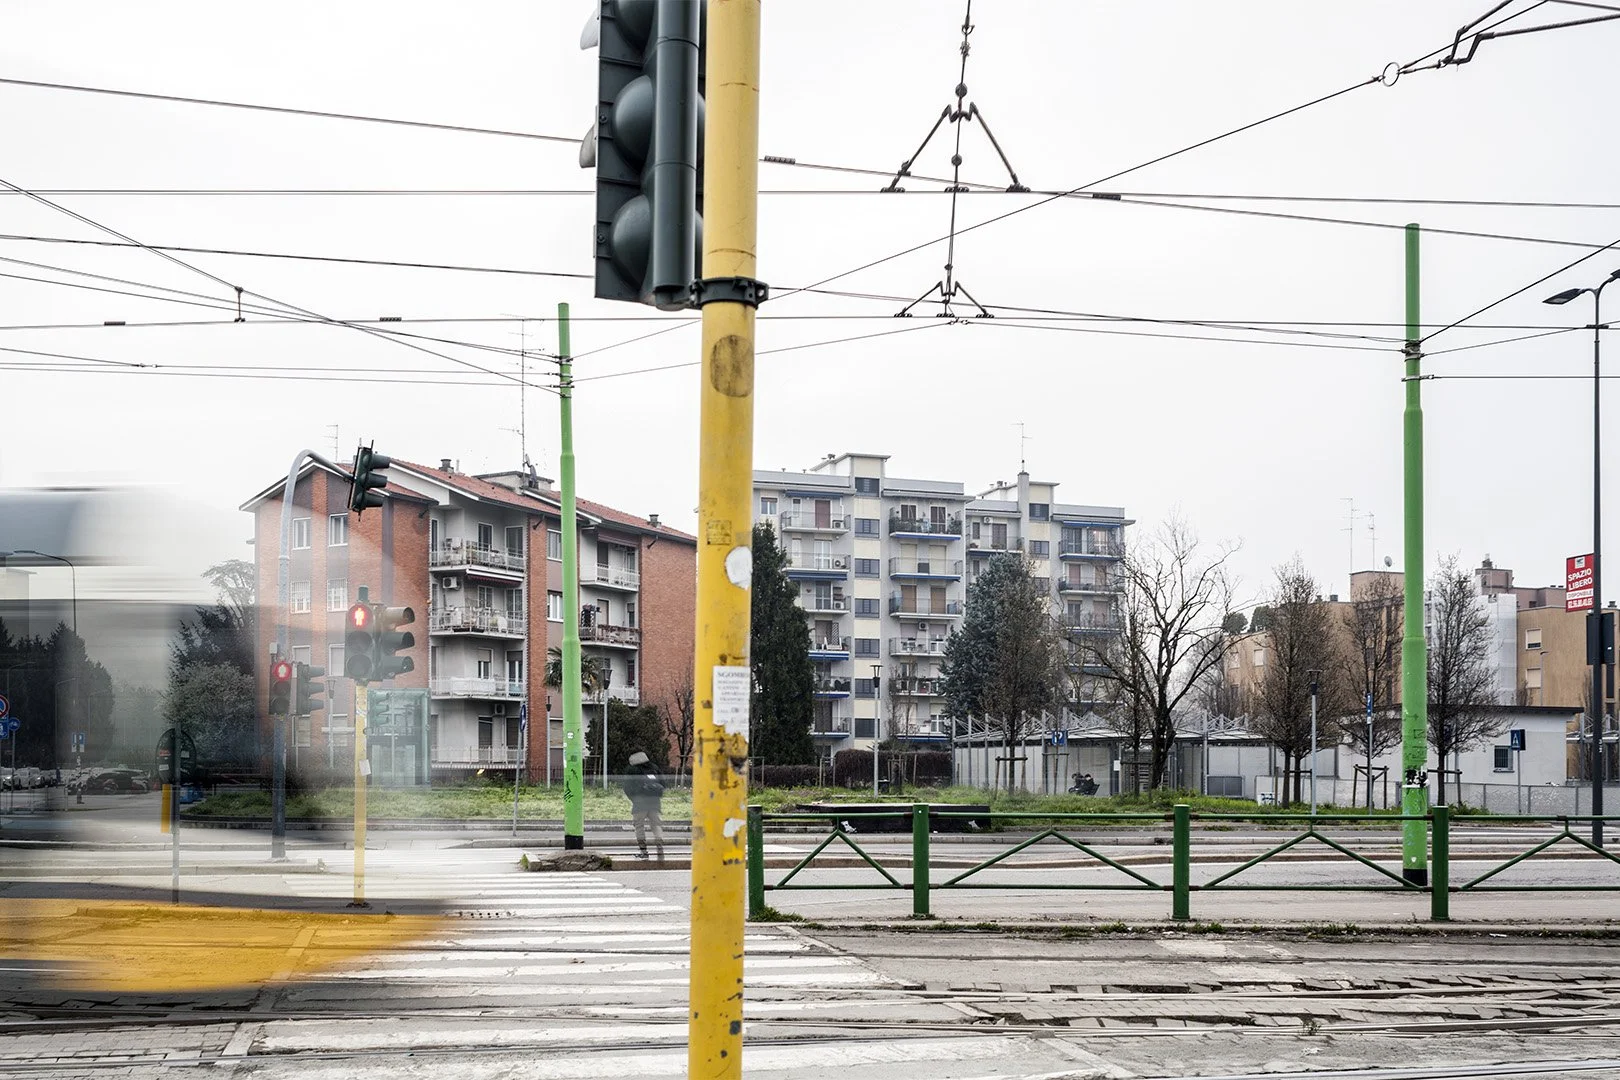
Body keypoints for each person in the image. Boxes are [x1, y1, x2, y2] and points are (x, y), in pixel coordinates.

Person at [622, 751, 666, 862]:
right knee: (656, 825)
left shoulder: (632, 770)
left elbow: (627, 787)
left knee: (639, 826)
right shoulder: (654, 767)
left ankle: (643, 851)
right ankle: (659, 845)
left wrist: (634, 799)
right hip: (655, 802)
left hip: (639, 803)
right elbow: (663, 784)